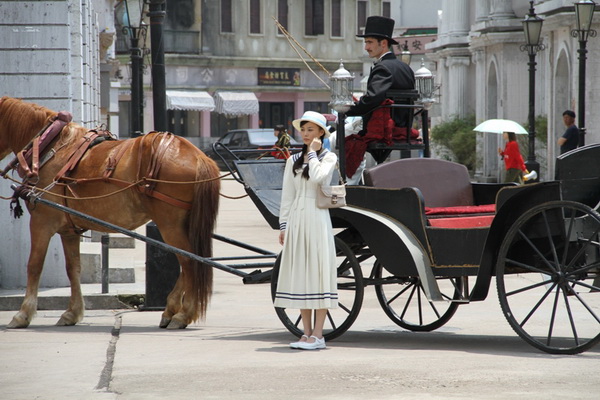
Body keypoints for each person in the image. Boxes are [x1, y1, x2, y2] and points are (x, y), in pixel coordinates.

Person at [274, 111, 338, 350]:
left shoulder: (328, 157)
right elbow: (287, 196)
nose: (305, 134)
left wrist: (312, 154)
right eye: (303, 129)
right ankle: (306, 333)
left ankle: (319, 335)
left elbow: (318, 178)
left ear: (321, 132)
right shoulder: (292, 161)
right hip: (298, 221)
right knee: (302, 272)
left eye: (310, 130)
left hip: (317, 218)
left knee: (318, 272)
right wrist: (284, 226)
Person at [346, 16, 415, 131]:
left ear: (383, 43)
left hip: (385, 128)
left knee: (337, 136)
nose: (366, 47)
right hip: (404, 127)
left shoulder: (383, 68)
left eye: (369, 42)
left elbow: (372, 99)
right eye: (365, 42)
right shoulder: (405, 68)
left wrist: (348, 109)